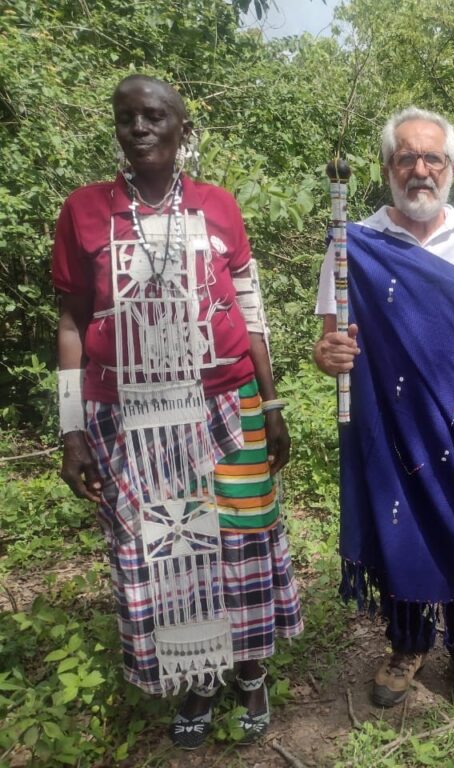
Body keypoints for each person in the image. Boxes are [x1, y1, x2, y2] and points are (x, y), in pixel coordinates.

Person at [52, 75, 302, 750]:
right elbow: (72, 320)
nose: (139, 128)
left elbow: (250, 309)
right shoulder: (85, 211)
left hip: (227, 399)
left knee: (240, 542)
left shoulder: (219, 206)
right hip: (128, 413)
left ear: (181, 130)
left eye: (154, 116)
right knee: (166, 548)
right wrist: (71, 427)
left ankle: (248, 666)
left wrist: (271, 401)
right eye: (126, 117)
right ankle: (197, 674)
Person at [313, 107, 454, 711]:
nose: (420, 170)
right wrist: (330, 353)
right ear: (387, 167)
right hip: (391, 424)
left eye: (433, 159)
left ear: (450, 168)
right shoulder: (355, 244)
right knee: (399, 526)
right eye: (407, 158)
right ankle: (408, 642)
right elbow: (328, 340)